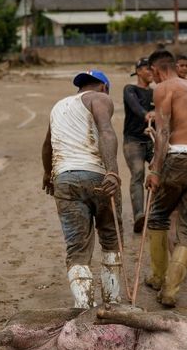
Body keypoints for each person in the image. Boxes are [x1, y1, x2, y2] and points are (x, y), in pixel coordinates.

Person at [42, 69, 123, 309]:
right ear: (104, 87)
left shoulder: (58, 106)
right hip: (96, 174)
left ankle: (83, 306)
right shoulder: (100, 98)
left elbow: (47, 146)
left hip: (65, 179)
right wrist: (112, 171)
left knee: (77, 247)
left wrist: (48, 174)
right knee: (110, 238)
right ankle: (112, 304)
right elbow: (106, 131)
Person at [145, 50, 187, 307]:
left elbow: (163, 133)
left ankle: (157, 277)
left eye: (152, 74)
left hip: (180, 158)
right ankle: (170, 291)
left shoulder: (164, 87)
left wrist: (154, 169)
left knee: (158, 215)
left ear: (156, 69)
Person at [122, 58, 155, 233]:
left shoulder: (156, 93)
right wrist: (146, 114)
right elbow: (135, 106)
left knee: (162, 171)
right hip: (133, 141)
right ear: (139, 71)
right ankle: (139, 216)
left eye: (152, 69)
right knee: (138, 173)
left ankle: (158, 213)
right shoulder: (130, 89)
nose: (150, 72)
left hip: (152, 140)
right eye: (147, 69)